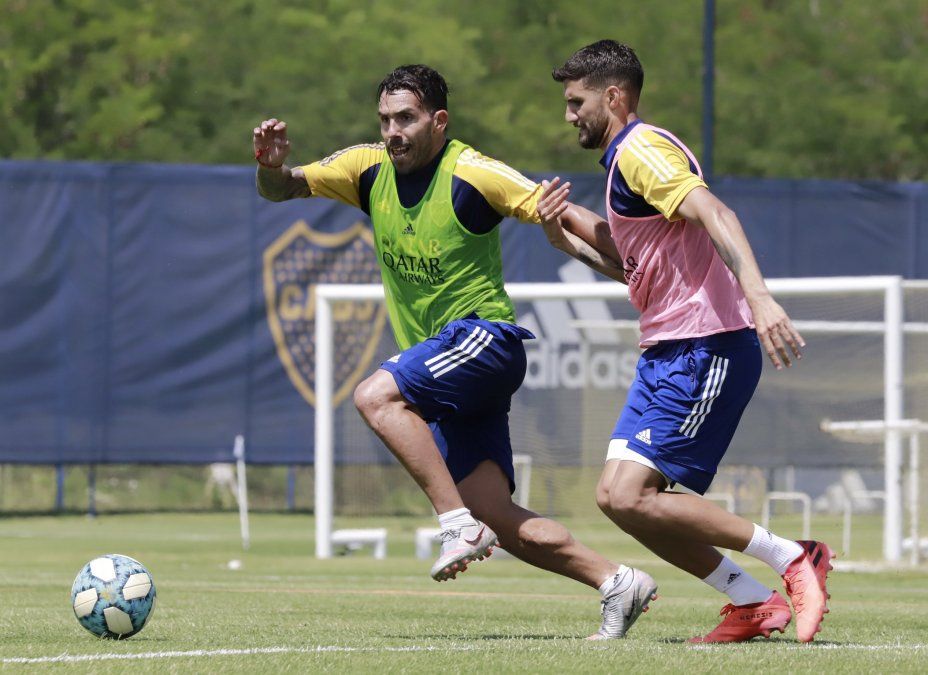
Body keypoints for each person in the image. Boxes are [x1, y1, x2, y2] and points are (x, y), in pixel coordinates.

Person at [253, 64, 657, 639]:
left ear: (439, 121)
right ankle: (617, 581)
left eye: (407, 119)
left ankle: (454, 524)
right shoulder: (365, 169)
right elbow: (282, 187)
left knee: (375, 397)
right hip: (451, 366)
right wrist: (269, 168)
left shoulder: (472, 171)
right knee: (496, 512)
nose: (394, 131)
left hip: (484, 340)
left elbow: (562, 212)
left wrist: (640, 270)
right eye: (386, 119)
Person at [540, 40, 835, 644]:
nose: (569, 115)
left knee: (634, 495)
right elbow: (634, 261)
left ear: (613, 96)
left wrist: (758, 297)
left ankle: (793, 556)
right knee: (616, 499)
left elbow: (716, 213)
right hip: (667, 350)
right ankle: (752, 602)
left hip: (708, 343)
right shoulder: (625, 161)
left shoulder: (642, 149)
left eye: (577, 101)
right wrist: (562, 235)